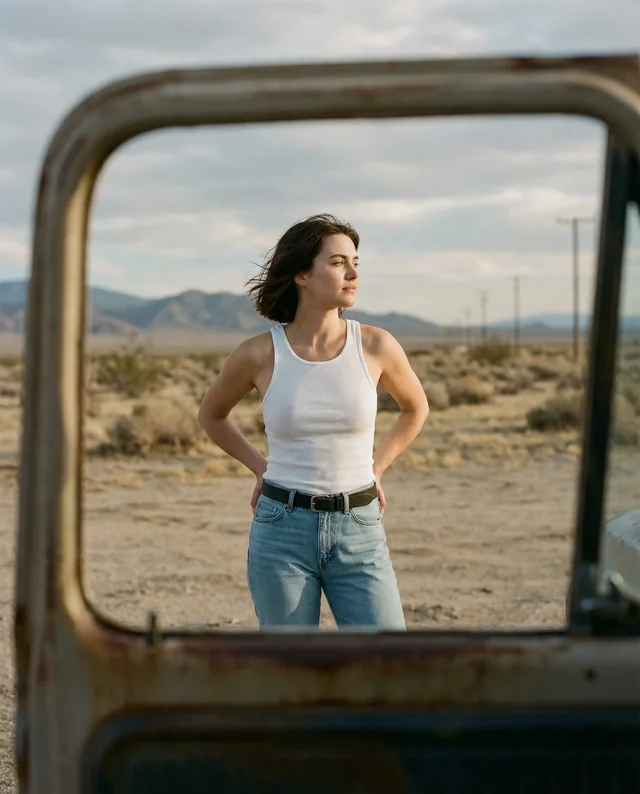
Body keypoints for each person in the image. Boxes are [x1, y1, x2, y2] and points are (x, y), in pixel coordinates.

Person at [198, 214, 429, 630]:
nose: (354, 273)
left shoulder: (376, 345)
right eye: (339, 262)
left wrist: (376, 469)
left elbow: (416, 408)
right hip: (280, 528)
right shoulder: (258, 354)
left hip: (359, 526)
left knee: (387, 663)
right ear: (302, 273)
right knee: (292, 672)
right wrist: (260, 466)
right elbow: (211, 415)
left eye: (355, 261)